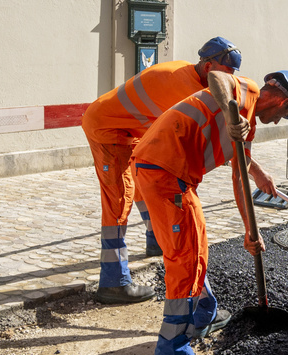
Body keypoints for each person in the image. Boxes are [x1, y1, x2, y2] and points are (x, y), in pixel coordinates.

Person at [132, 69, 288, 355]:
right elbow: (217, 76)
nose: (283, 119)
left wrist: (249, 229)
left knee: (195, 246)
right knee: (186, 258)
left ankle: (204, 313)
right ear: (283, 100)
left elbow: (239, 175)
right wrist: (231, 116)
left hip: (166, 170)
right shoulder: (246, 93)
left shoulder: (248, 125)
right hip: (166, 172)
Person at [81, 37, 243, 305]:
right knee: (118, 200)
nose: (228, 80)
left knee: (145, 182)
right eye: (225, 73)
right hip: (107, 129)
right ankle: (113, 282)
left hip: (131, 131)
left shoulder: (188, 74)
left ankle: (156, 239)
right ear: (207, 66)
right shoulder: (184, 87)